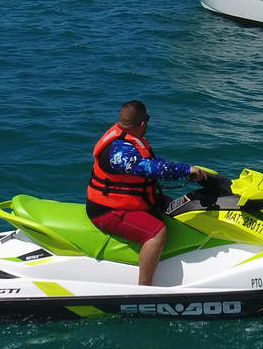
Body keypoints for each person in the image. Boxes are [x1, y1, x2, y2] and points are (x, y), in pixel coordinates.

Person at [86, 100, 206, 286]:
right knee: (156, 232)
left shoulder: (127, 137)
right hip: (107, 210)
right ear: (143, 123)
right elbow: (147, 167)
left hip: (130, 200)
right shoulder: (118, 151)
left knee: (179, 209)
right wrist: (185, 170)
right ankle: (144, 288)